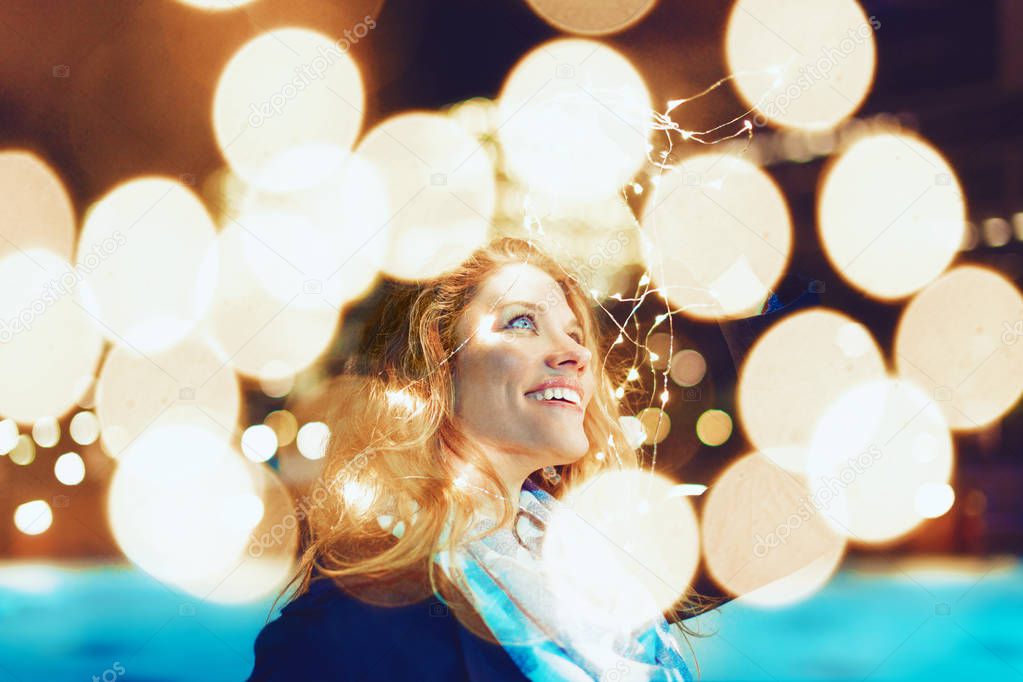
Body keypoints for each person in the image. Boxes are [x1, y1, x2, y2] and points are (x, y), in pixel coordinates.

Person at [247, 237, 712, 681]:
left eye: (574, 334)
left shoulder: (608, 574)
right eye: (521, 322)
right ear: (436, 367)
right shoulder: (347, 627)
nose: (575, 353)